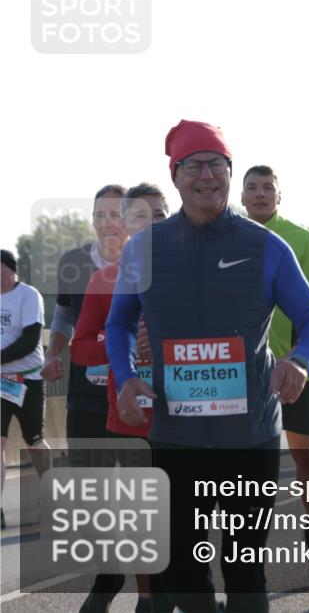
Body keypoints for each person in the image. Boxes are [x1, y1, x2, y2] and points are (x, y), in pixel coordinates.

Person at [106, 120, 309, 612]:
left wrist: (300, 360)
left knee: (244, 568)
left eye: (216, 165)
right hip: (176, 437)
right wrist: (125, 378)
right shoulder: (144, 248)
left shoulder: (266, 246)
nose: (206, 176)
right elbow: (120, 322)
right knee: (180, 571)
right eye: (193, 166)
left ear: (230, 172)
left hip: (248, 437)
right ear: (175, 175)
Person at [70, 184, 170, 613]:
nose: (153, 225)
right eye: (142, 217)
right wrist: (124, 345)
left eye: (160, 216)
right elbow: (80, 348)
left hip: (185, 415)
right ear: (127, 225)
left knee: (184, 519)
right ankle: (147, 600)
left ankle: (190, 595)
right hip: (129, 415)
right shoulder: (105, 279)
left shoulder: (195, 272)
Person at [241, 164, 309, 584]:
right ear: (241, 197)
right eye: (252, 188)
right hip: (244, 376)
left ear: (279, 196)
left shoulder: (301, 240)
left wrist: (301, 358)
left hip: (295, 372)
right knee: (248, 468)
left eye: (268, 188)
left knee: (303, 456)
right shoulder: (228, 240)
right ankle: (248, 556)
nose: (260, 194)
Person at [39, 184, 128, 608]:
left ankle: (173, 588)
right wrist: (54, 351)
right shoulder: (73, 262)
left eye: (116, 215)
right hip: (87, 393)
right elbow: (64, 315)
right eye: (100, 215)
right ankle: (109, 576)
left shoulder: (147, 263)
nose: (108, 223)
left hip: (135, 396)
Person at [1, 250, 52, 532]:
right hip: (0, 382)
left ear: (10, 270)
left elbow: (30, 340)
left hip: (28, 380)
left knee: (35, 441)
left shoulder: (29, 295)